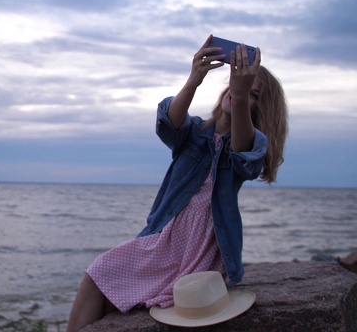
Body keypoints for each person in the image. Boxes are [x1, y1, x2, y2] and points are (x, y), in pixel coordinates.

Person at [66, 34, 289, 332]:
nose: (240, 94)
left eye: (253, 94)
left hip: (204, 248)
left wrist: (241, 91)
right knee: (98, 275)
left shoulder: (252, 142)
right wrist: (194, 78)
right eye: (239, 88)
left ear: (260, 110)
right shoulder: (195, 133)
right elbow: (168, 122)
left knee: (113, 288)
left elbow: (244, 158)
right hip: (164, 240)